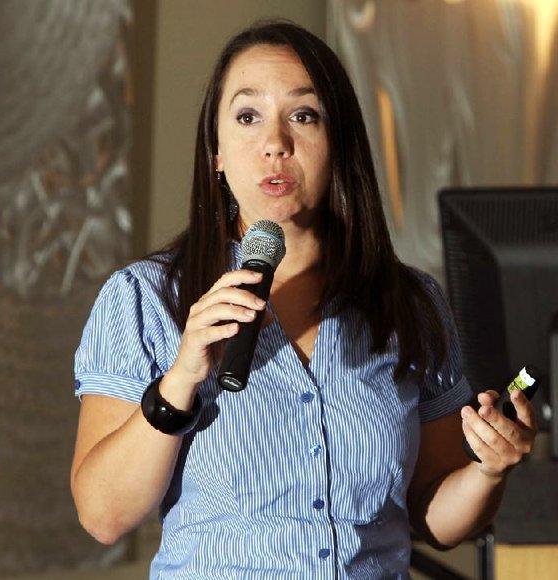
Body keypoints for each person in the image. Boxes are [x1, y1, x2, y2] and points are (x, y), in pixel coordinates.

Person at [70, 19, 537, 578]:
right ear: (216, 152)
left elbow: (431, 515)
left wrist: (488, 472)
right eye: (248, 116)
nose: (275, 143)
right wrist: (181, 377)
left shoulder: (410, 303)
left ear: (337, 141)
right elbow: (103, 515)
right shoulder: (144, 299)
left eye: (303, 115)